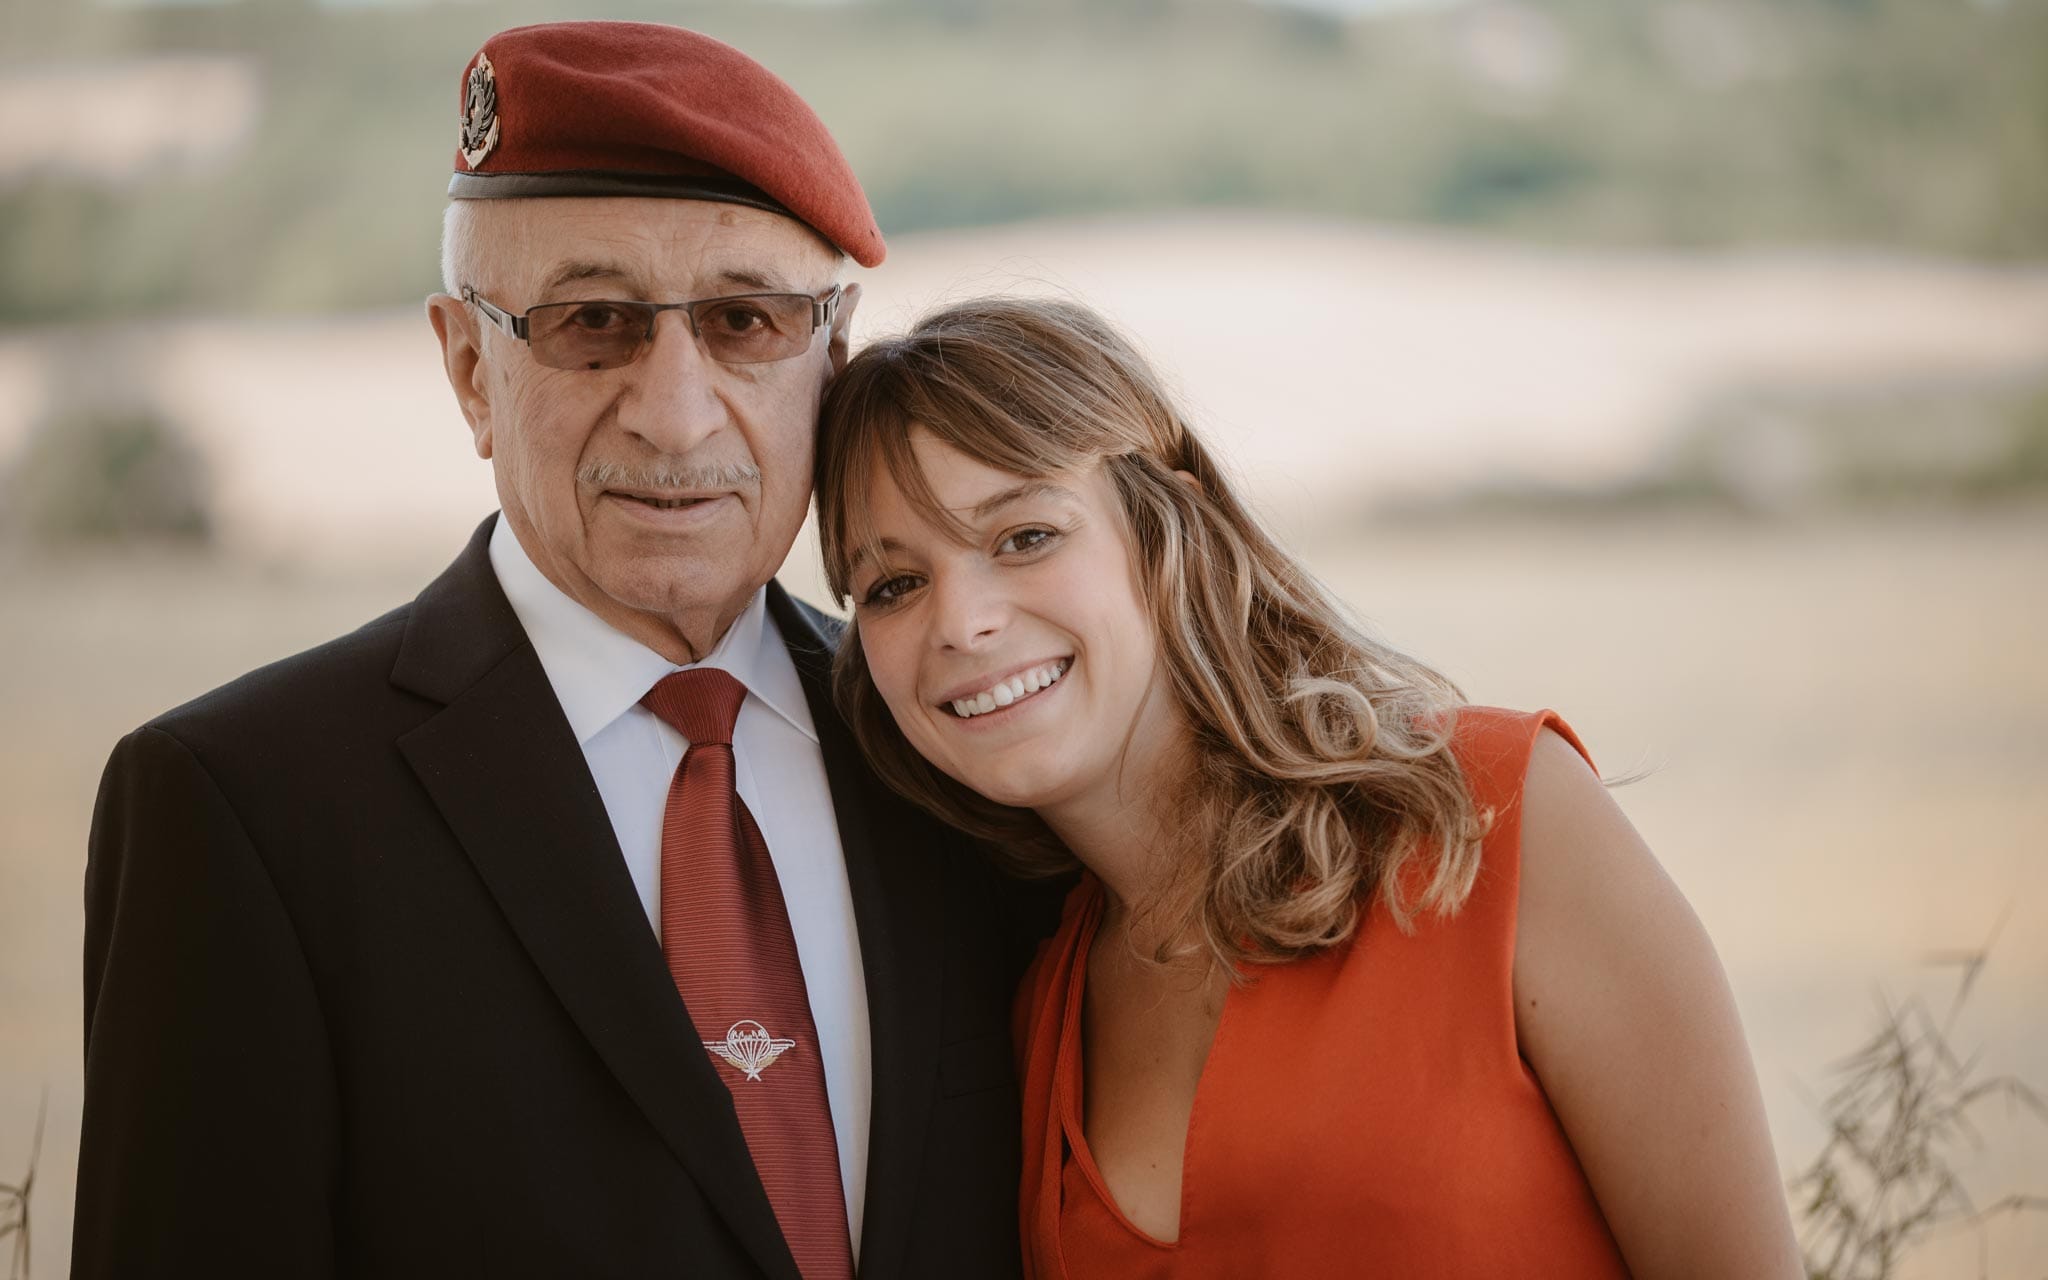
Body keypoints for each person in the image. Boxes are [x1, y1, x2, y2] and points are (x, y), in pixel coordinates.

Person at [76, 23, 1054, 1279]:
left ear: (832, 356)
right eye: (595, 322)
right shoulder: (245, 809)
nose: (675, 410)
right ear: (469, 368)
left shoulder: (959, 746)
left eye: (746, 320)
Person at [813, 297, 1807, 1277]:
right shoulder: (1034, 1009)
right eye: (894, 584)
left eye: (1022, 535)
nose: (962, 620)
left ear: (1171, 526)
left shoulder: (1492, 815)